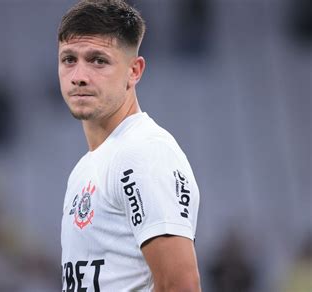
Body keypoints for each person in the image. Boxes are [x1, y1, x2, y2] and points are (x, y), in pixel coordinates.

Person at [58, 1, 201, 291]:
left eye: (98, 60)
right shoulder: (87, 167)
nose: (79, 76)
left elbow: (181, 285)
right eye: (69, 59)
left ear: (134, 71)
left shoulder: (144, 152)